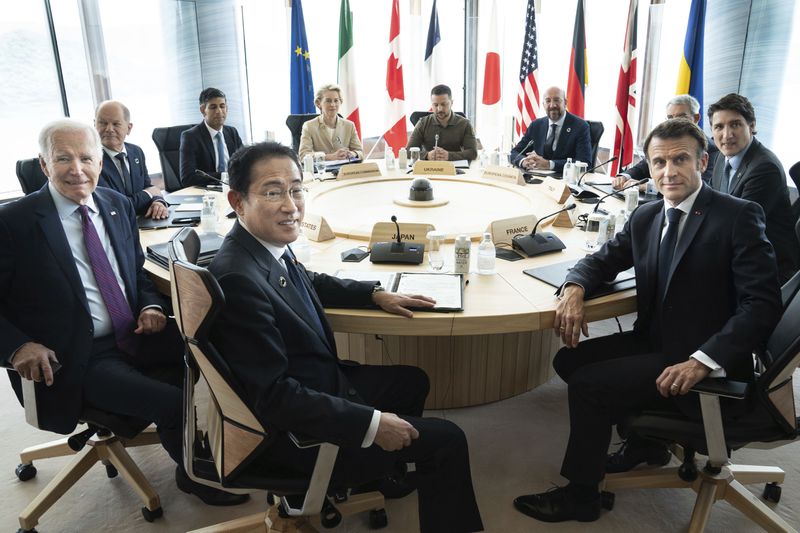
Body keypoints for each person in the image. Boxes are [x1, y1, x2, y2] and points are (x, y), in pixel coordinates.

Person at [513, 119, 781, 523]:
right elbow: (601, 261)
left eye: (680, 159)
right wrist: (574, 288)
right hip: (656, 339)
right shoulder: (647, 216)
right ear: (649, 168)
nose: (668, 171)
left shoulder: (738, 216)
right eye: (659, 162)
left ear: (703, 162)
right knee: (568, 361)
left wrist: (701, 361)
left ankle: (582, 496)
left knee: (589, 387)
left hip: (704, 358)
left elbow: (760, 306)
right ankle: (646, 441)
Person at [208, 141, 484, 533]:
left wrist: (373, 293)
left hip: (316, 384)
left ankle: (378, 477)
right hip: (293, 434)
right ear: (237, 201)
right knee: (448, 439)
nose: (291, 205)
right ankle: (361, 466)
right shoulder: (238, 278)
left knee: (411, 381)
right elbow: (274, 398)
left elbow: (309, 280)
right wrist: (373, 425)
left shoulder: (257, 246)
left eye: (296, 189)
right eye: (273, 192)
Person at [0, 119, 246, 507]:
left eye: (86, 158)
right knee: (173, 401)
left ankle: (235, 446)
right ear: (44, 165)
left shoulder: (114, 204)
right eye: (63, 158)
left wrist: (149, 303)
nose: (76, 169)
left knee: (218, 357)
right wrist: (17, 348)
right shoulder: (13, 224)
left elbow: (134, 271)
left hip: (133, 331)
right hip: (75, 356)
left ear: (101, 162)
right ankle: (195, 475)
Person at [707, 92, 799, 284]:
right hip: (735, 255)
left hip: (765, 269)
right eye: (719, 127)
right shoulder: (721, 158)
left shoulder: (765, 167)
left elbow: (736, 227)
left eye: (735, 124)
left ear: (752, 125)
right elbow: (709, 202)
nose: (727, 135)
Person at [612, 94, 718, 188]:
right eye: (670, 117)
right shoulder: (663, 142)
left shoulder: (711, 148)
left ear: (696, 118)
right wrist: (624, 177)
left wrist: (647, 186)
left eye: (681, 116)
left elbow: (701, 185)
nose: (675, 121)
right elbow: (643, 167)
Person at [94, 100, 169, 219]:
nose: (109, 129)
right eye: (102, 123)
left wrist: (158, 201)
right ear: (94, 125)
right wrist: (150, 193)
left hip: (143, 221)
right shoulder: (91, 160)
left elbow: (147, 186)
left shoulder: (136, 151)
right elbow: (115, 207)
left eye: (116, 124)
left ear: (129, 128)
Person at [510, 86, 592, 173]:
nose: (552, 105)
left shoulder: (580, 126)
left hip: (565, 181)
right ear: (543, 104)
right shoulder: (536, 125)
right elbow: (515, 152)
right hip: (537, 179)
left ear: (565, 102)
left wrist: (549, 164)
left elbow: (585, 162)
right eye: (548, 101)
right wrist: (523, 162)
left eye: (557, 100)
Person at [179, 87, 243, 188]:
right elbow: (188, 178)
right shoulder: (190, 137)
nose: (219, 111)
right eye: (213, 107)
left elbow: (244, 164)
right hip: (207, 193)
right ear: (203, 110)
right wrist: (224, 176)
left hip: (234, 188)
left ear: (227, 108)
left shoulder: (232, 132)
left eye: (222, 106)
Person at [406, 84, 478, 162]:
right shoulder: (422, 123)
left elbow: (473, 153)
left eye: (443, 104)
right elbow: (408, 151)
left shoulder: (465, 124)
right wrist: (427, 155)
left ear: (451, 103)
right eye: (435, 105)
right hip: (429, 169)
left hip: (456, 169)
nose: (439, 109)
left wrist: (449, 156)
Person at [298, 84, 363, 161]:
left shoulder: (349, 125)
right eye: (328, 101)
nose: (333, 105)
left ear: (340, 102)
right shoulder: (309, 126)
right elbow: (303, 156)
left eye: (336, 100)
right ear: (319, 103)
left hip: (344, 170)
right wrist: (329, 157)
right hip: (321, 171)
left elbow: (360, 153)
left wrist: (352, 154)